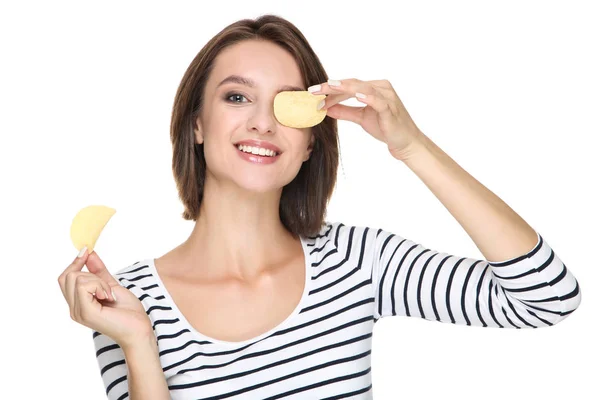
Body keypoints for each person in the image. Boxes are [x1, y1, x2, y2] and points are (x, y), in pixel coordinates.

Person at [57, 14, 582, 400]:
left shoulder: (358, 260)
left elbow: (547, 297)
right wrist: (139, 343)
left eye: (289, 104)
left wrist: (413, 146)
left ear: (310, 140)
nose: (263, 123)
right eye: (237, 97)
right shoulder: (127, 303)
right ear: (196, 124)